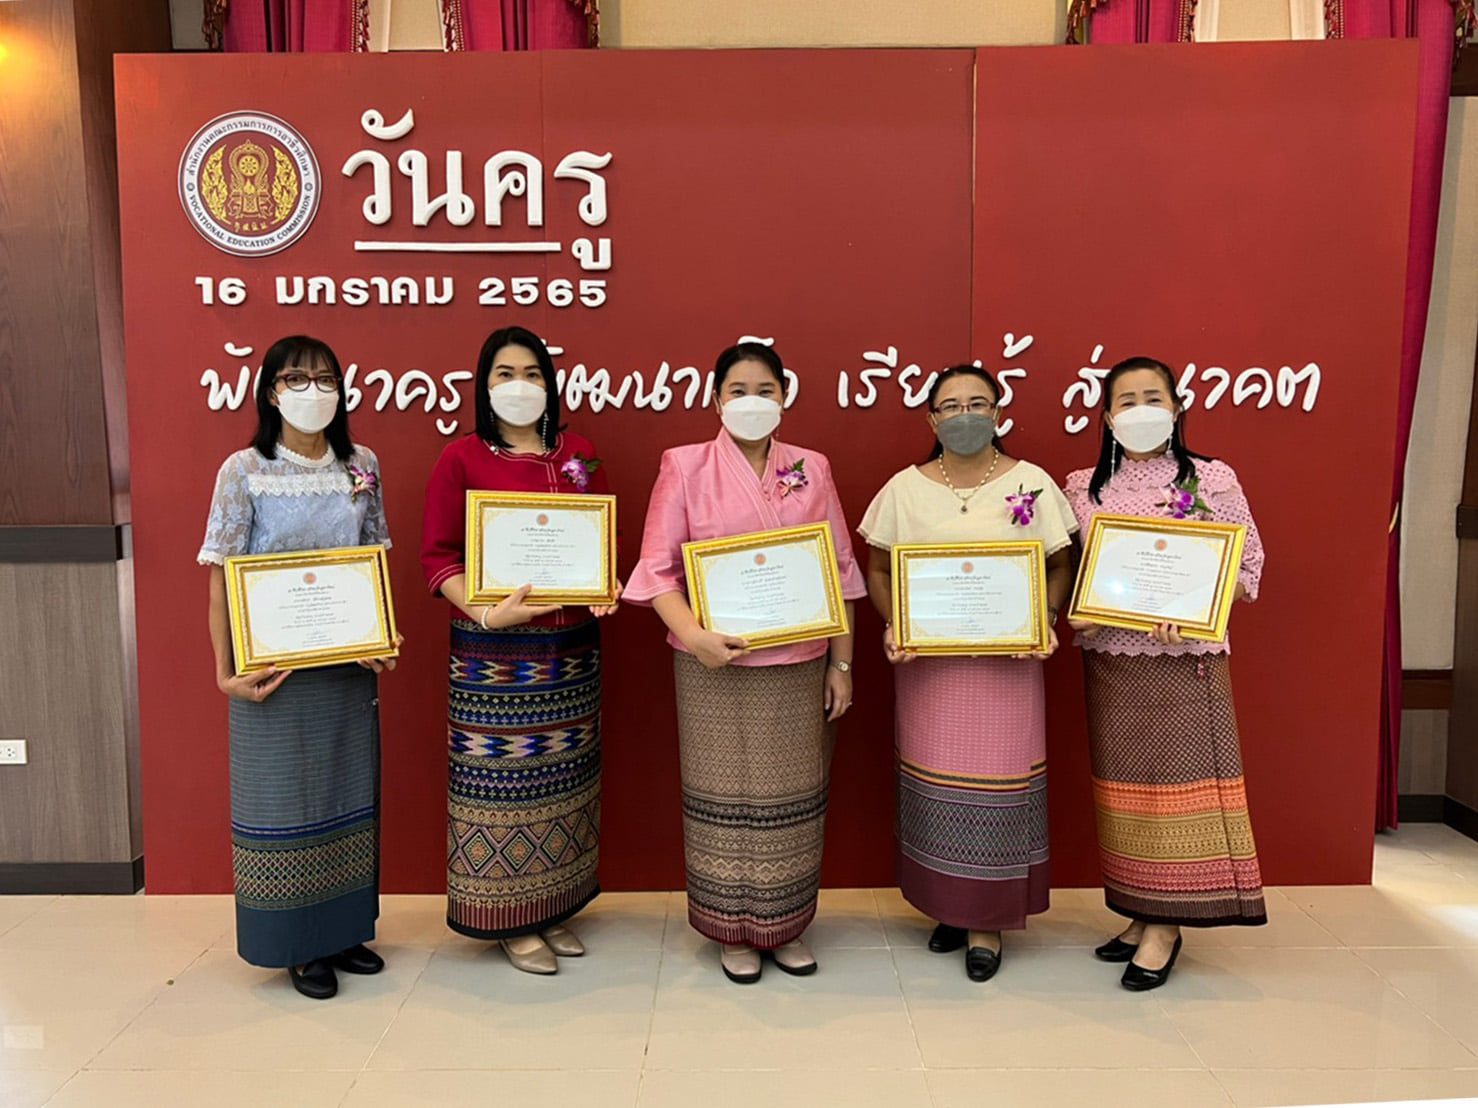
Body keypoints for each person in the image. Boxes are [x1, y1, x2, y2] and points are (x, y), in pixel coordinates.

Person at [624, 341, 867, 984]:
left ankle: (786, 925)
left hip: (799, 663)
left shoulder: (812, 466)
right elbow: (656, 570)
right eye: (737, 389)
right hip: (712, 666)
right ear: (716, 398)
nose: (751, 401)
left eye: (765, 389)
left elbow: (840, 569)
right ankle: (730, 928)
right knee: (721, 798)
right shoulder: (684, 465)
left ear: (784, 396)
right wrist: (694, 635)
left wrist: (841, 665)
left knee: (794, 797)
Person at [858, 365, 1075, 982]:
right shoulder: (904, 488)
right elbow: (878, 571)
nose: (965, 414)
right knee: (936, 787)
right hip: (929, 670)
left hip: (1009, 670)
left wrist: (1045, 616)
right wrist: (893, 622)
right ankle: (949, 906)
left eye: (978, 403)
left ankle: (988, 922)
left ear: (1000, 413)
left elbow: (1061, 563)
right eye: (950, 405)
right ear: (930, 419)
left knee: (997, 789)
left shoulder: (1031, 482)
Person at [199, 334, 398, 1000]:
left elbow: (374, 560)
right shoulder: (243, 469)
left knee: (347, 799)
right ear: (270, 390)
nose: (312, 390)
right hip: (273, 675)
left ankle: (343, 931)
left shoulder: (361, 464)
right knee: (284, 806)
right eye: (296, 378)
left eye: (325, 378)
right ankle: (296, 943)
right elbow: (222, 576)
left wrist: (383, 635)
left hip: (345, 668)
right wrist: (225, 671)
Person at [1064, 355, 1268, 992]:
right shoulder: (1082, 487)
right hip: (1111, 661)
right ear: (1105, 416)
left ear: (1177, 407)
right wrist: (1075, 613)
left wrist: (1196, 605)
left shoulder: (1213, 477)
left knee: (1178, 793)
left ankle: (1167, 926)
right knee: (1125, 792)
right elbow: (1069, 574)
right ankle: (1138, 908)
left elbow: (1248, 562)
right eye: (1126, 400)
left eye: (1153, 397)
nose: (1140, 410)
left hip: (1186, 662)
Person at [421, 325, 618, 975]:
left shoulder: (579, 453)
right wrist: (484, 611)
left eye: (532, 373)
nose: (519, 386)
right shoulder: (462, 458)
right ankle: (509, 919)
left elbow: (591, 537)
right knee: (503, 787)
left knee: (565, 782)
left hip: (571, 650)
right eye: (505, 373)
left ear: (550, 384)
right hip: (494, 657)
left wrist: (604, 582)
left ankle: (554, 905)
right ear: (484, 385)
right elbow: (439, 557)